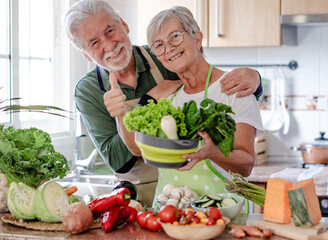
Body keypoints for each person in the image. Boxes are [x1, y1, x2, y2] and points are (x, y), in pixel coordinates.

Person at [64, 0, 262, 207]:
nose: (108, 45)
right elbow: (120, 160)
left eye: (110, 31)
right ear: (86, 53)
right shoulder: (88, 91)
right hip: (142, 197)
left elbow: (211, 84)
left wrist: (255, 80)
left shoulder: (162, 55)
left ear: (124, 24)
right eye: (94, 43)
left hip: (202, 196)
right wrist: (136, 106)